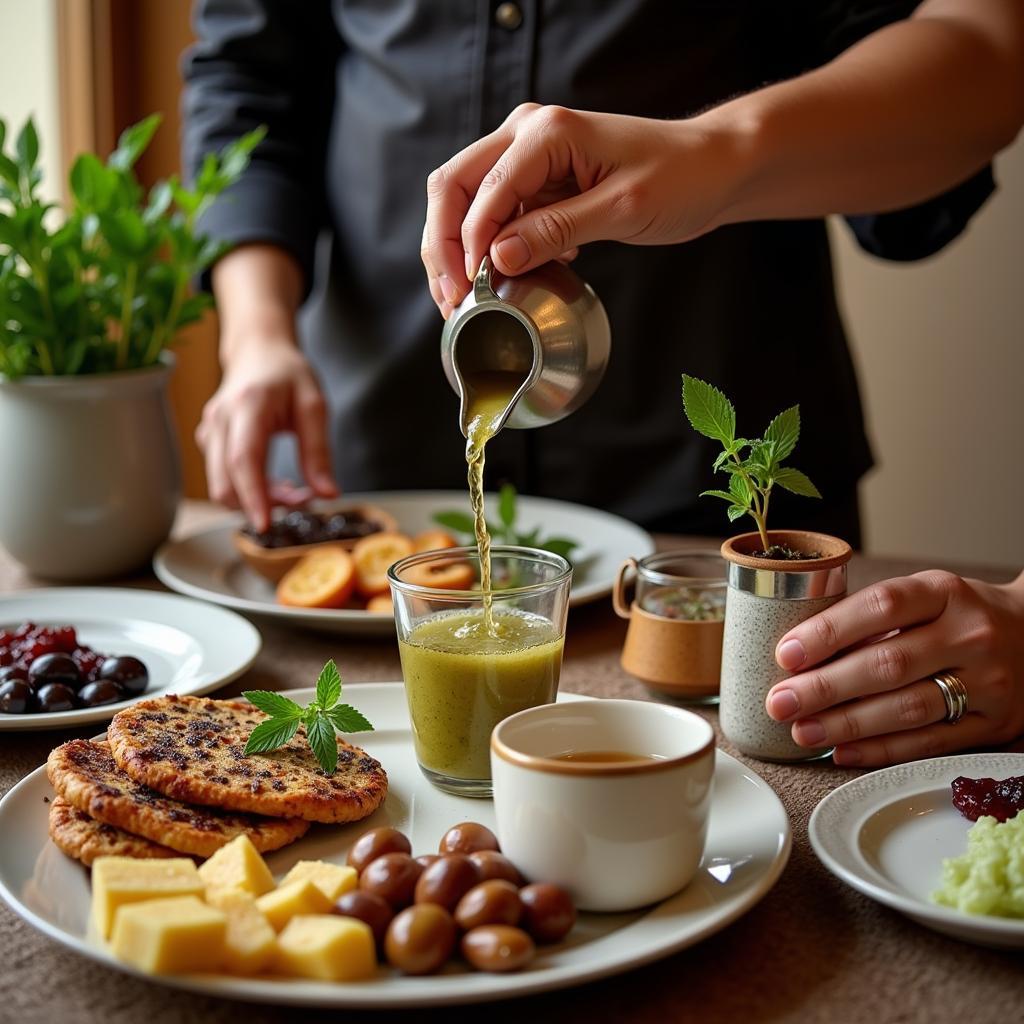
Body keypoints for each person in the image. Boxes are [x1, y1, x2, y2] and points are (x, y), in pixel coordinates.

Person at [183, 0, 1024, 765]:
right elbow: (247, 80)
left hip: (723, 514)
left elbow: (983, 52)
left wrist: (715, 151)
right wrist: (257, 334)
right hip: (385, 443)